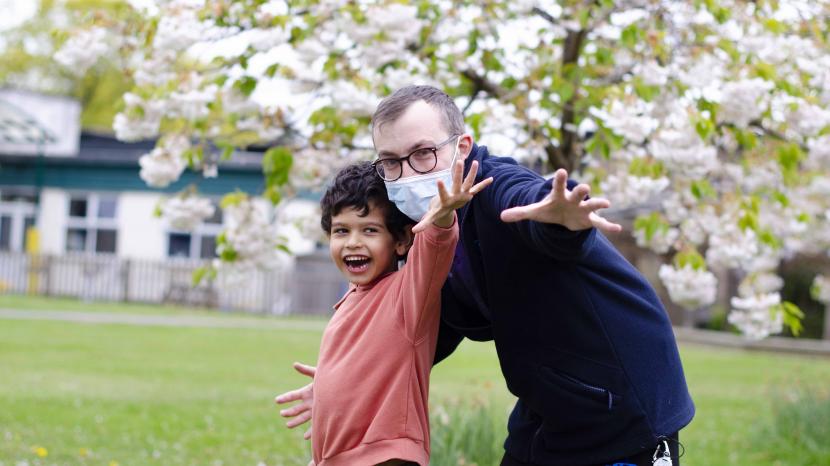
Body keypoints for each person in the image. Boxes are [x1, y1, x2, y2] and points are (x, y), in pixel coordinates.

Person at [277, 85, 694, 466]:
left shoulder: (497, 187)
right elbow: (420, 330)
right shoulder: (422, 227)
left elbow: (532, 207)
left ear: (462, 147)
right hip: (548, 397)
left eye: (423, 153)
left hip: (624, 395)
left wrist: (560, 219)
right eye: (390, 161)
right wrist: (344, 385)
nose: (408, 172)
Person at [303, 159, 492, 466]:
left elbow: (435, 247)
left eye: (369, 230)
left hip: (387, 456)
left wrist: (443, 215)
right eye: (341, 231)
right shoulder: (351, 298)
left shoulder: (408, 294)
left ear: (402, 240)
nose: (353, 242)